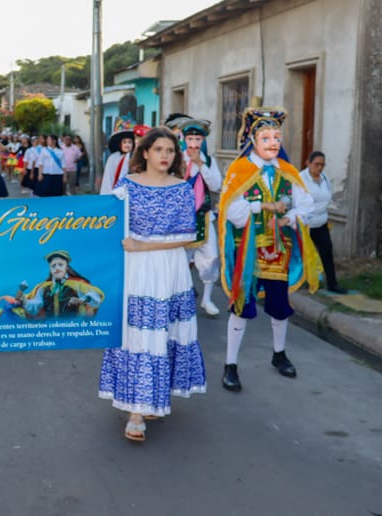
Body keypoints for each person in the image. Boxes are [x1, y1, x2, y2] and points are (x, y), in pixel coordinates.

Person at [98, 126, 206, 442]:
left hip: (169, 267)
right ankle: (136, 411)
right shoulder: (126, 185)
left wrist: (143, 245)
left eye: (170, 151)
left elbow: (188, 236)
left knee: (164, 333)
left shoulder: (182, 188)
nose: (164, 155)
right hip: (137, 269)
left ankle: (152, 399)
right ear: (145, 152)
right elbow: (106, 222)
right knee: (138, 334)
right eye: (158, 149)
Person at [219, 107, 319, 392]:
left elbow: (307, 205)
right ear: (253, 140)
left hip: (279, 250)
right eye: (266, 138)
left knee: (279, 306)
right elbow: (230, 210)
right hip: (247, 251)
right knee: (242, 306)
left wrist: (291, 218)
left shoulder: (287, 171)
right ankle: (230, 365)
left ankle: (279, 353)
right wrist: (261, 206)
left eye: (277, 137)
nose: (273, 143)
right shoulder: (239, 170)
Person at [176, 117, 224, 316]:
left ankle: (207, 298)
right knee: (181, 259)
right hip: (181, 217)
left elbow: (216, 185)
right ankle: (182, 296)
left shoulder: (209, 160)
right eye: (190, 139)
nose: (194, 143)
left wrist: (201, 165)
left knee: (211, 256)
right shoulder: (176, 158)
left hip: (204, 215)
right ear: (184, 140)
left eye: (198, 139)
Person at [301, 151, 346, 294]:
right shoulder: (300, 179)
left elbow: (328, 197)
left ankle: (332, 284)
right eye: (316, 164)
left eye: (322, 165)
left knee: (326, 251)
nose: (319, 168)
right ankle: (298, 282)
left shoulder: (324, 178)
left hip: (320, 222)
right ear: (308, 163)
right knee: (301, 254)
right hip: (305, 224)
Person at [13, 250, 103, 319]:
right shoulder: (43, 288)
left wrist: (81, 300)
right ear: (50, 269)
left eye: (60, 265)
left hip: (73, 328)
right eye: (53, 266)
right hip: (50, 329)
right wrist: (24, 300)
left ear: (66, 267)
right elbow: (34, 308)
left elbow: (96, 298)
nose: (57, 268)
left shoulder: (78, 285)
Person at [100, 118, 135, 194]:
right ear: (119, 144)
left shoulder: (135, 157)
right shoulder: (113, 158)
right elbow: (108, 177)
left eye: (130, 142)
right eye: (124, 142)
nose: (127, 145)